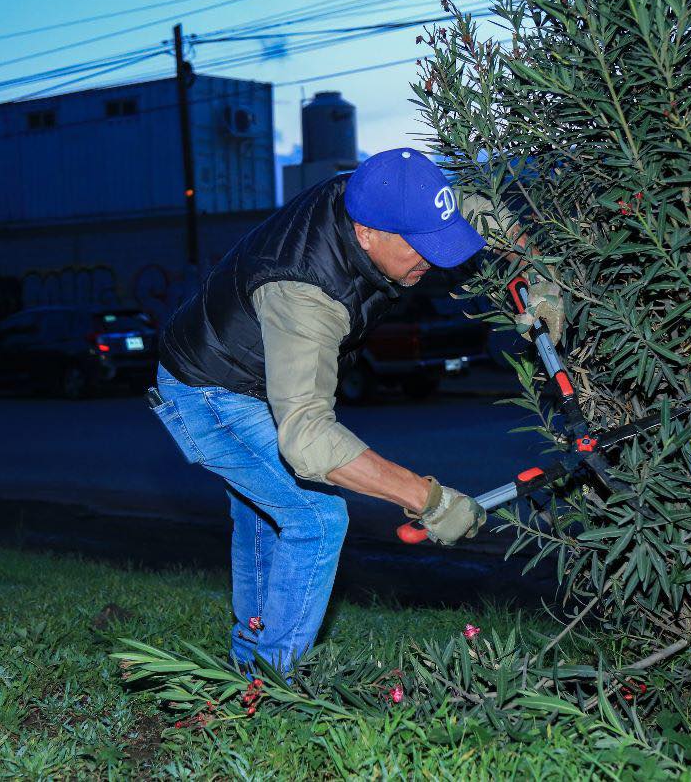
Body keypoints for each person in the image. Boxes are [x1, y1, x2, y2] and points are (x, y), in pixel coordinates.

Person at [150, 148, 563, 673]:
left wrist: (541, 281)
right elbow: (307, 438)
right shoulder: (304, 291)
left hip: (253, 369)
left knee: (260, 512)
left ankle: (248, 662)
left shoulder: (394, 195)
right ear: (365, 233)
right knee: (316, 519)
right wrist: (429, 499)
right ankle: (272, 682)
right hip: (206, 389)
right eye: (419, 248)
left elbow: (485, 214)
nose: (433, 260)